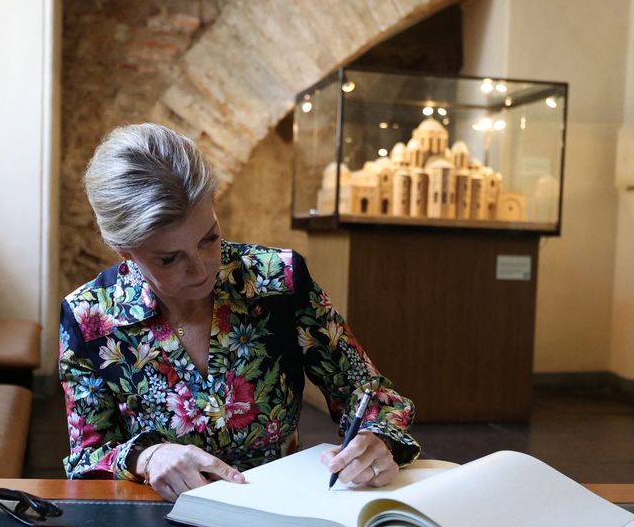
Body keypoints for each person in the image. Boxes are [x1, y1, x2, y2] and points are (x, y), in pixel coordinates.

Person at [60, 123, 419, 501]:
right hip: (161, 520)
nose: (201, 269)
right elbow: (86, 457)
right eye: (169, 258)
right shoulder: (91, 317)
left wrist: (375, 440)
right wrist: (147, 457)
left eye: (209, 239)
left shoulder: (278, 281)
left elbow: (371, 396)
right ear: (124, 251)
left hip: (278, 512)